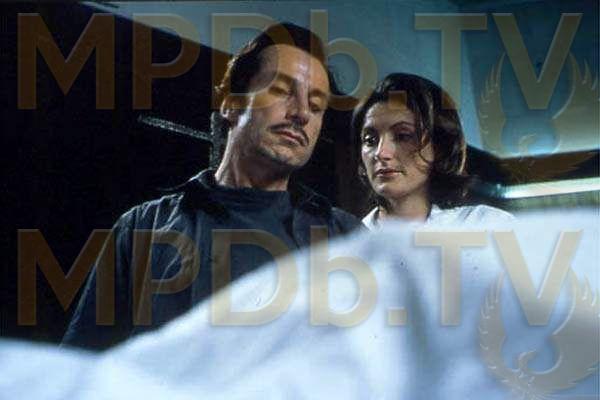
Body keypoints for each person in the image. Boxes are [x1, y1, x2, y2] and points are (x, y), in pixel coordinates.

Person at [62, 22, 363, 350]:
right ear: (231, 104)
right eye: (281, 91)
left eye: (316, 106)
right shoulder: (142, 229)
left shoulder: (346, 238)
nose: (302, 113)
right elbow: (81, 364)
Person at [352, 73, 513, 228]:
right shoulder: (348, 239)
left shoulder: (488, 225)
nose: (381, 153)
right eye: (370, 141)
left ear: (440, 146)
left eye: (403, 136)